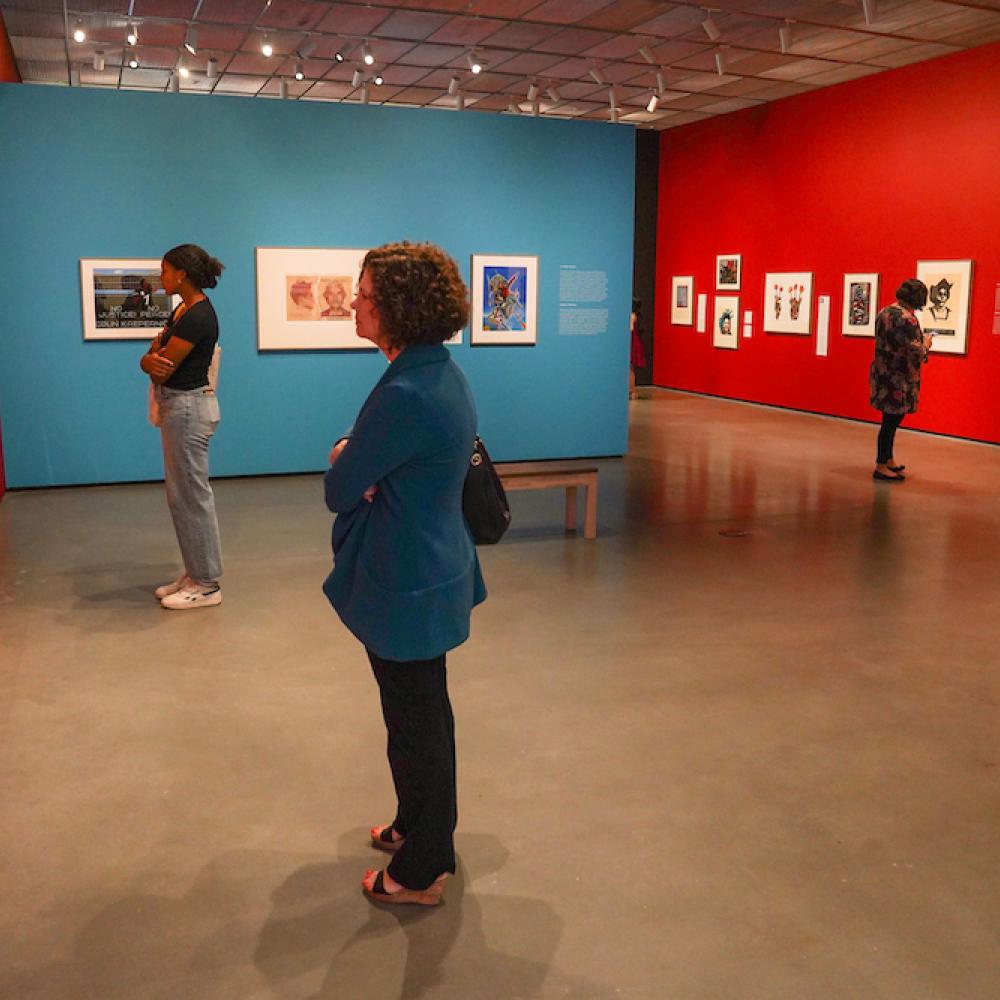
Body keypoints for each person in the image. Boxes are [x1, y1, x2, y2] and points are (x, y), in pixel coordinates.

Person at [322, 242, 486, 907]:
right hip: (431, 566)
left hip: (408, 579)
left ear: (397, 307)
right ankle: (417, 825)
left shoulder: (407, 391)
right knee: (419, 715)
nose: (354, 305)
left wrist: (345, 456)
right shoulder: (437, 371)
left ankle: (422, 868)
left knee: (417, 722)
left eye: (363, 296)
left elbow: (341, 485)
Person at [140, 244, 225, 608]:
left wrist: (149, 360)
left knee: (192, 497)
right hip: (180, 408)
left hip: (189, 410)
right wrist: (149, 358)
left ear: (182, 274)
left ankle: (206, 584)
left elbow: (163, 363)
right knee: (181, 497)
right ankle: (194, 573)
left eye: (164, 270)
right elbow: (153, 353)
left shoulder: (198, 317)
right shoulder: (182, 311)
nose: (161, 278)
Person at [869, 278, 932, 482]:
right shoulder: (908, 319)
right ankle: (881, 464)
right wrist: (927, 343)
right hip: (900, 378)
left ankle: (888, 459)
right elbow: (916, 351)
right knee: (891, 422)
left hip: (883, 373)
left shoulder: (884, 312)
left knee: (889, 420)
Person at [629, 297, 646, 399]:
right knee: (631, 368)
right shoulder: (636, 316)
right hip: (634, 340)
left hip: (631, 341)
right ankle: (631, 390)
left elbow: (630, 329)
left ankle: (631, 390)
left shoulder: (631, 316)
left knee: (630, 367)